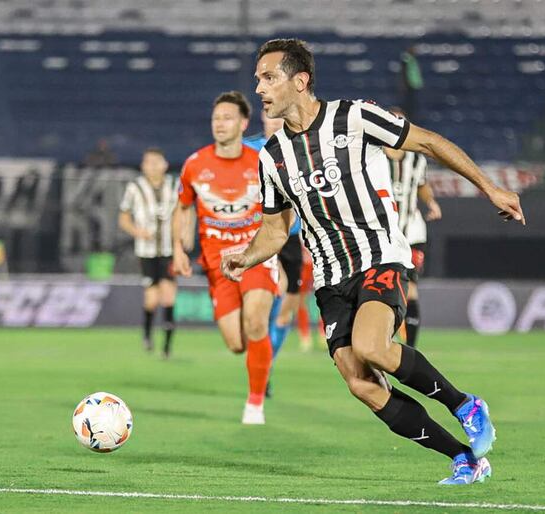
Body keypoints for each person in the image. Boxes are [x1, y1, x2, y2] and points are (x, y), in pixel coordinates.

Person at [222, 38, 525, 484]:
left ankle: (465, 404)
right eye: (258, 80)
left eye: (269, 78)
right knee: (360, 382)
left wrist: (490, 187)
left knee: (371, 346)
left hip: (379, 255)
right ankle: (464, 457)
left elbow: (430, 142)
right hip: (329, 278)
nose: (260, 88)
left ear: (300, 81)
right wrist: (246, 259)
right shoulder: (272, 157)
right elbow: (272, 229)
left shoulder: (354, 116)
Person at [171, 91, 278, 425]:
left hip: (254, 256)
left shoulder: (260, 162)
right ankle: (258, 356)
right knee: (236, 343)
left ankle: (255, 404)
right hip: (217, 264)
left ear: (243, 123)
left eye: (227, 118)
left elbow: (282, 208)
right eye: (216, 118)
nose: (220, 124)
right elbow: (183, 207)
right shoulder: (195, 164)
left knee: (256, 321)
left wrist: (276, 248)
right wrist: (178, 247)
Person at [245, 111, 302, 396]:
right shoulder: (249, 149)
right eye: (270, 117)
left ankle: (267, 363)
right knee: (272, 295)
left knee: (287, 310)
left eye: (278, 117)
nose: (274, 122)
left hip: (292, 237)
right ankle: (260, 363)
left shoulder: (301, 146)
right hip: (264, 234)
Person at [385, 107, 442, 348]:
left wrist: (431, 202)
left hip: (413, 233)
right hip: (385, 236)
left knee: (411, 289)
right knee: (386, 288)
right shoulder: (374, 157)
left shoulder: (416, 159)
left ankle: (411, 348)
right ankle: (384, 338)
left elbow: (421, 184)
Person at [118, 148, 178, 358]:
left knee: (168, 296)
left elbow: (185, 211)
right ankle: (147, 335)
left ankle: (167, 347)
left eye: (156, 161)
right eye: (148, 162)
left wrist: (184, 237)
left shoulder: (175, 184)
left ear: (165, 164)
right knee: (151, 299)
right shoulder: (135, 187)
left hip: (170, 250)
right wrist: (137, 231)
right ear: (143, 166)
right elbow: (123, 218)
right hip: (146, 252)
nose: (152, 166)